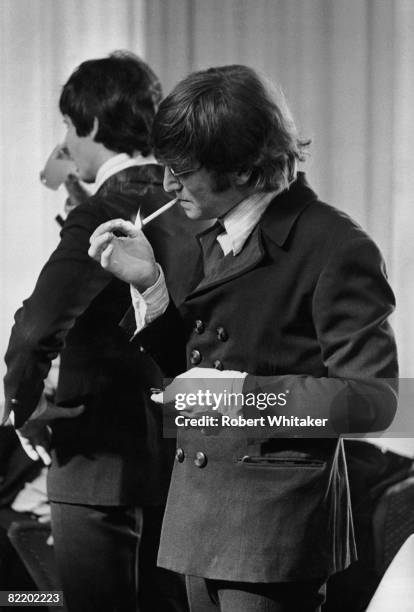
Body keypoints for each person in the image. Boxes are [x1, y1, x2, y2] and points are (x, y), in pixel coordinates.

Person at [88, 64, 398, 612]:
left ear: (243, 167)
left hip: (274, 535)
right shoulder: (207, 228)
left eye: (182, 171)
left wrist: (239, 398)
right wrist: (150, 284)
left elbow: (375, 403)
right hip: (198, 523)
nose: (166, 186)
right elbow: (200, 371)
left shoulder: (336, 244)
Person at [3, 51, 194, 612]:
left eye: (68, 125)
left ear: (89, 124)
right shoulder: (189, 209)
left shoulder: (106, 210)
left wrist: (23, 407)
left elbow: (38, 326)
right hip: (180, 463)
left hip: (95, 461)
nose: (66, 139)